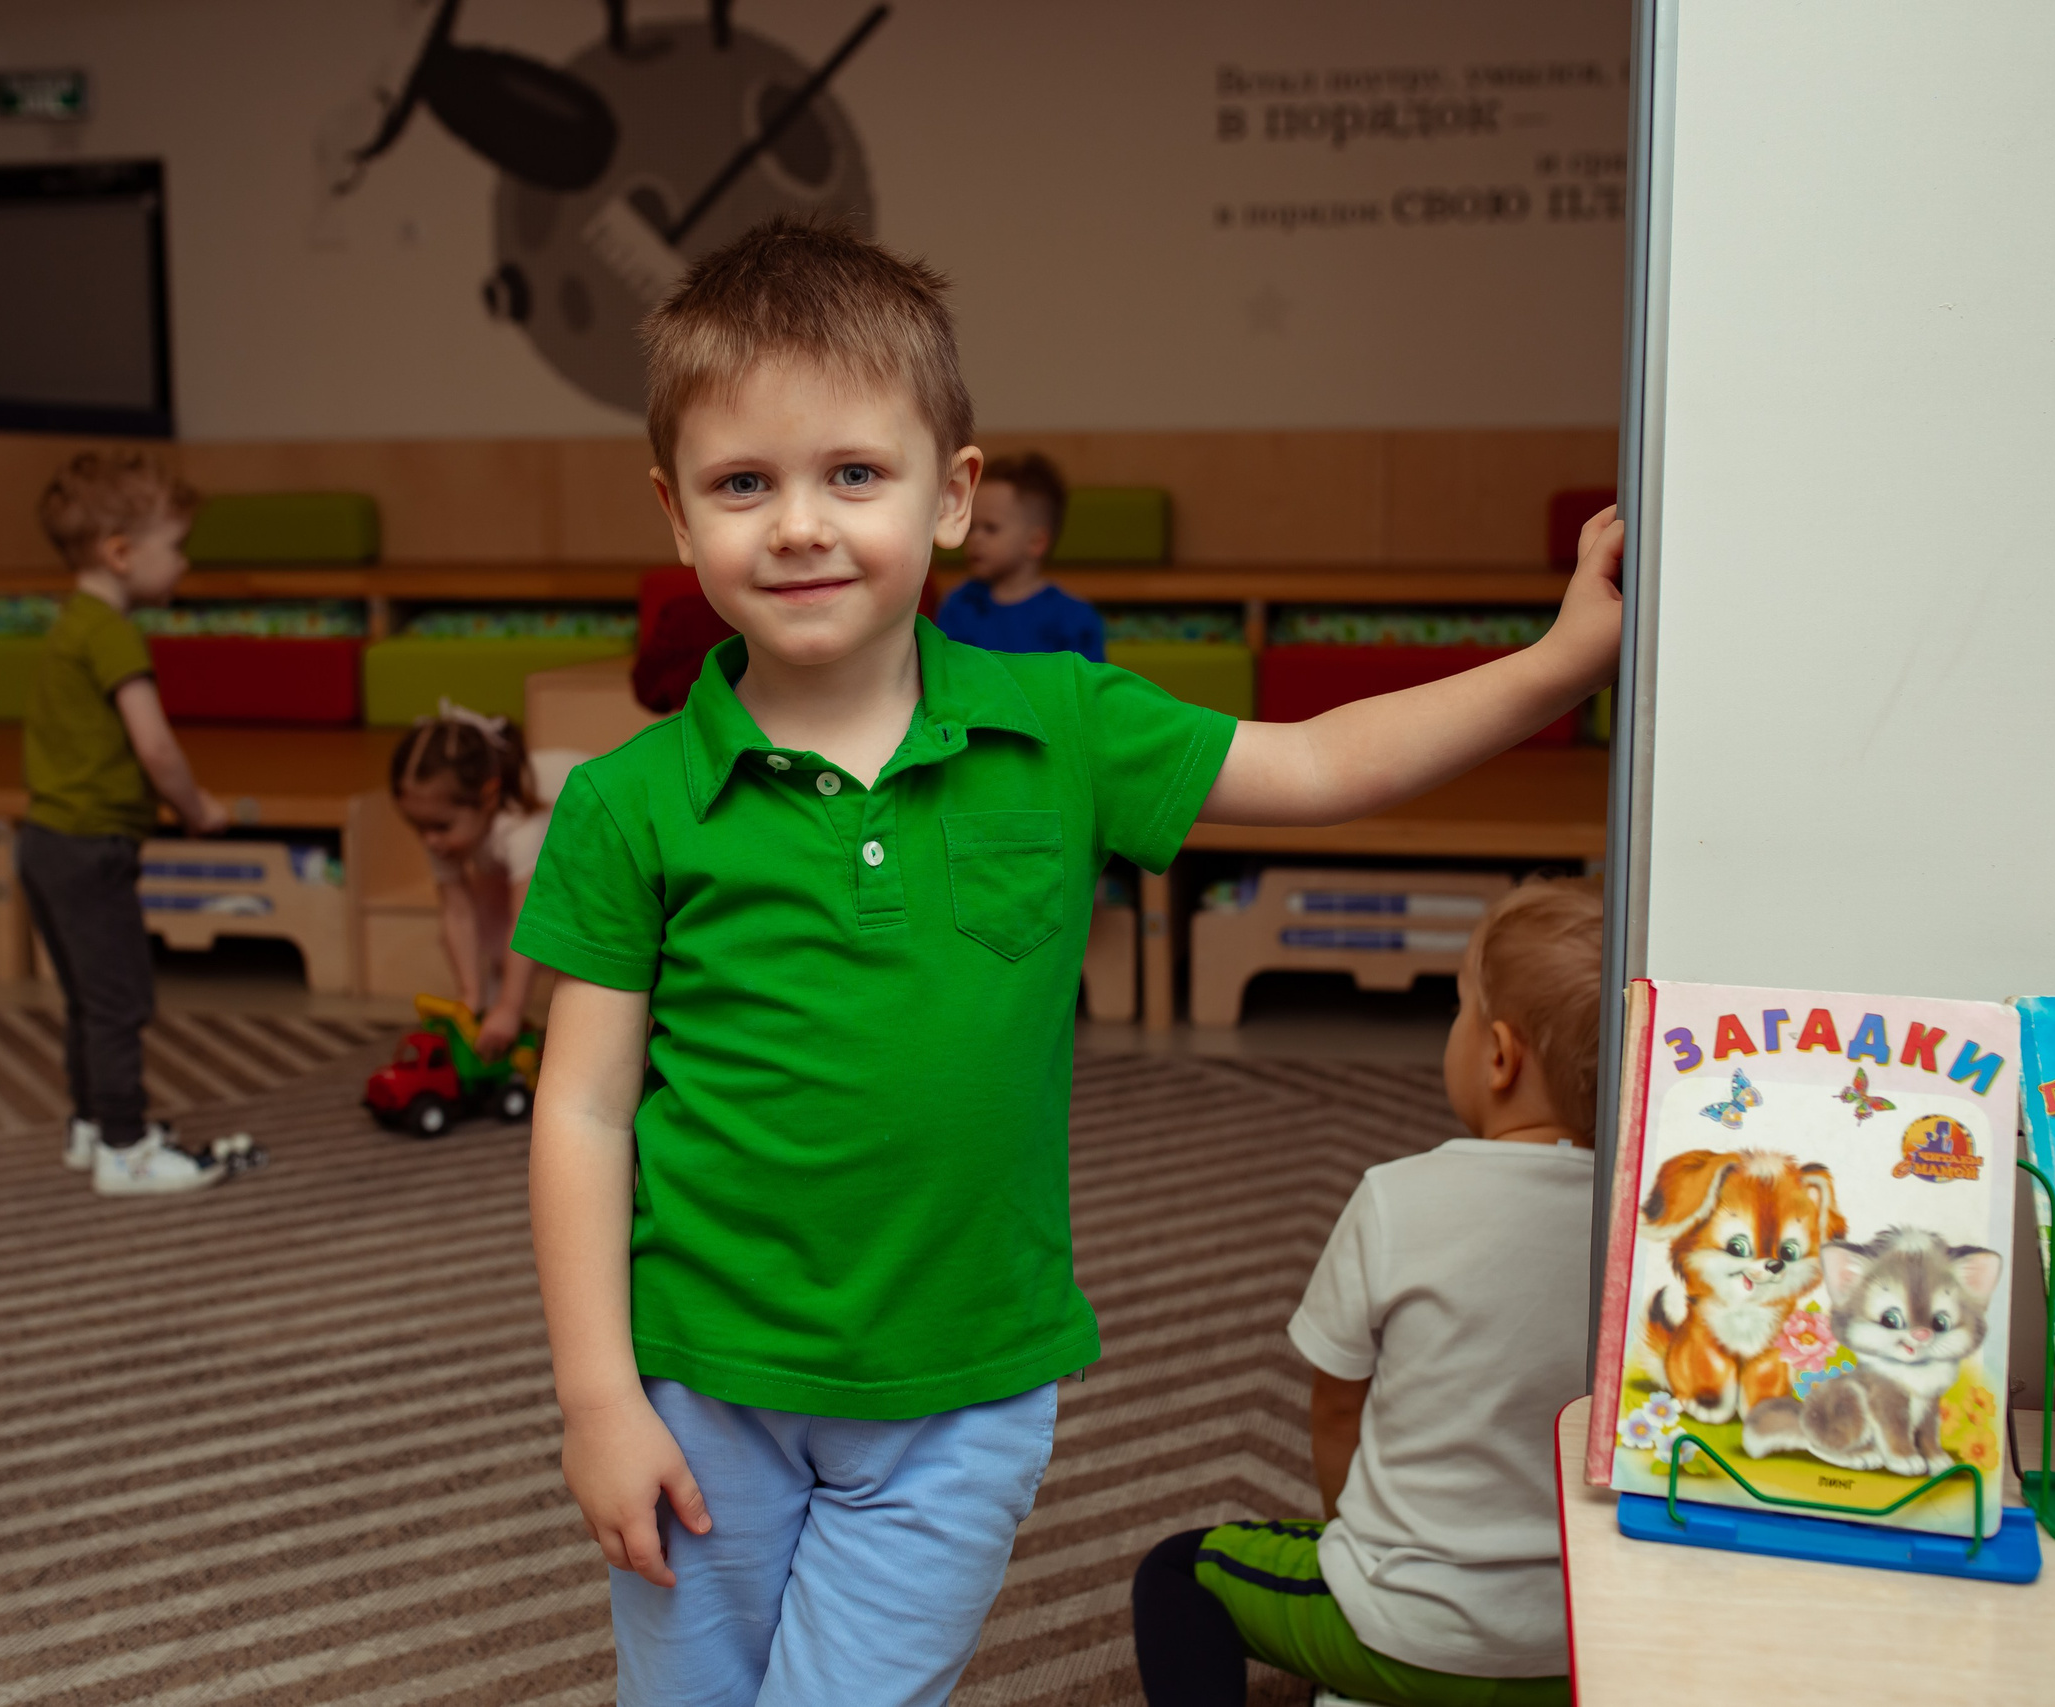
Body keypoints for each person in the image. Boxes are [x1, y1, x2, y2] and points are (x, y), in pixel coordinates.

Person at [516, 213, 1623, 1707]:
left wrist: (1559, 662)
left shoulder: (1064, 722)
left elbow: (1319, 763)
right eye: (742, 483)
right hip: (699, 1375)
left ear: (954, 495)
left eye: (854, 474)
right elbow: (584, 1108)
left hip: (962, 1392)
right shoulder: (624, 800)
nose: (798, 524)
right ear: (675, 513)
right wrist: (597, 1397)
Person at [1131, 878, 1606, 1707]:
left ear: (1499, 1055)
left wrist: (1351, 1541)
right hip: (1575, 1652)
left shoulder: (1396, 1198)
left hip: (1398, 1633)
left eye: (1458, 1010)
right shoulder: (1645, 1225)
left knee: (1177, 1572)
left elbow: (1335, 1407)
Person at [19, 449, 233, 1197]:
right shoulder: (112, 634)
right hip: (89, 849)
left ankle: (89, 1124)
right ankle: (124, 1145)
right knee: (120, 999)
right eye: (175, 546)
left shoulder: (69, 625)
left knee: (87, 996)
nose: (183, 563)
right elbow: (156, 746)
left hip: (45, 843)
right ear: (119, 552)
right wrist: (197, 808)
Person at [389, 699, 552, 1059]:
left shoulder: (522, 828)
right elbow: (458, 914)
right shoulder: (441, 830)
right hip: (523, 876)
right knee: (487, 920)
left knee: (560, 939)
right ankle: (490, 1010)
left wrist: (510, 1008)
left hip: (601, 863)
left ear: (489, 797)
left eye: (440, 827)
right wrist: (470, 997)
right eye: (417, 826)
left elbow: (529, 922)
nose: (430, 841)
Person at [933, 450, 1104, 660]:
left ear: (1036, 542)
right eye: (971, 527)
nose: (975, 538)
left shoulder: (1073, 618)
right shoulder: (958, 606)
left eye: (990, 528)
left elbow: (1088, 680)